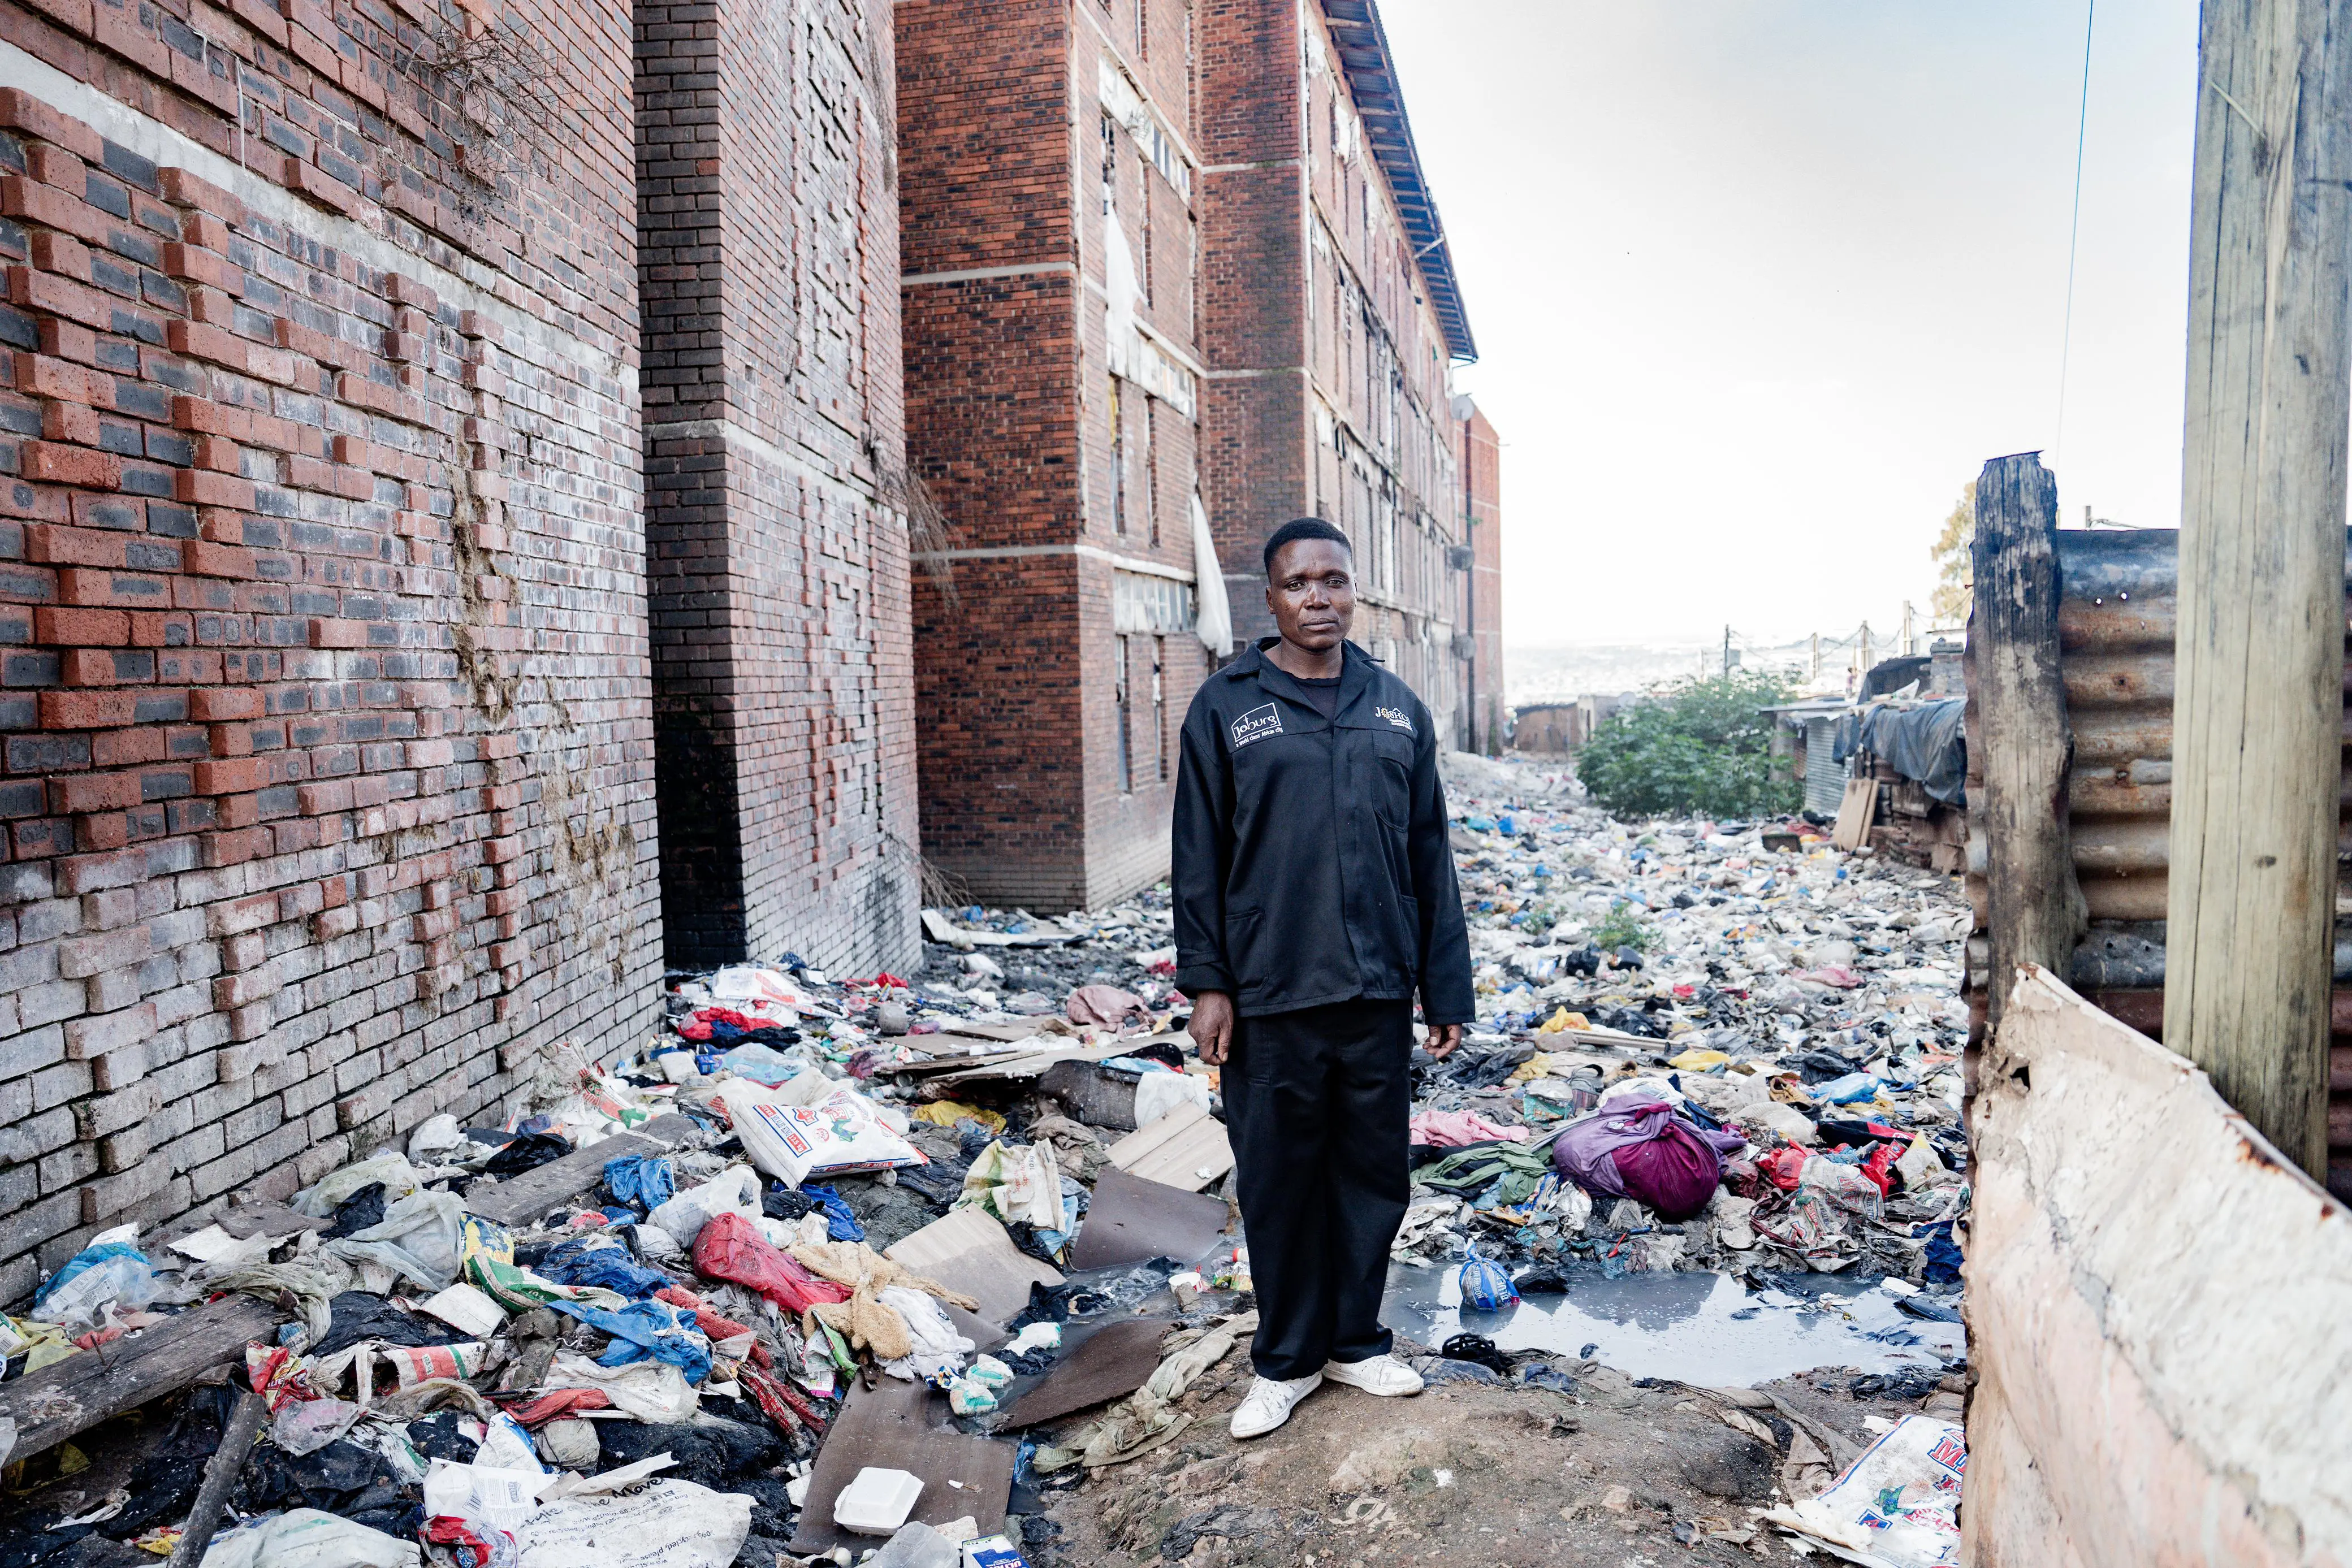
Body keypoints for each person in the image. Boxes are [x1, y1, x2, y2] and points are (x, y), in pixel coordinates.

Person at [1170, 516, 1475, 1439]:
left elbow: (1430, 854)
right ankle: (1287, 1359)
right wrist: (1208, 983)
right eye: (1300, 583)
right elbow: (1198, 854)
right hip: (1270, 992)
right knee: (1278, 1178)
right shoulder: (1226, 707)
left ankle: (1356, 1340)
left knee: (1372, 1175)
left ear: (1354, 591)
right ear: (1270, 596)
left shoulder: (1395, 707)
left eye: (1334, 581)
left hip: (1376, 990)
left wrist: (1444, 986)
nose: (1319, 598)